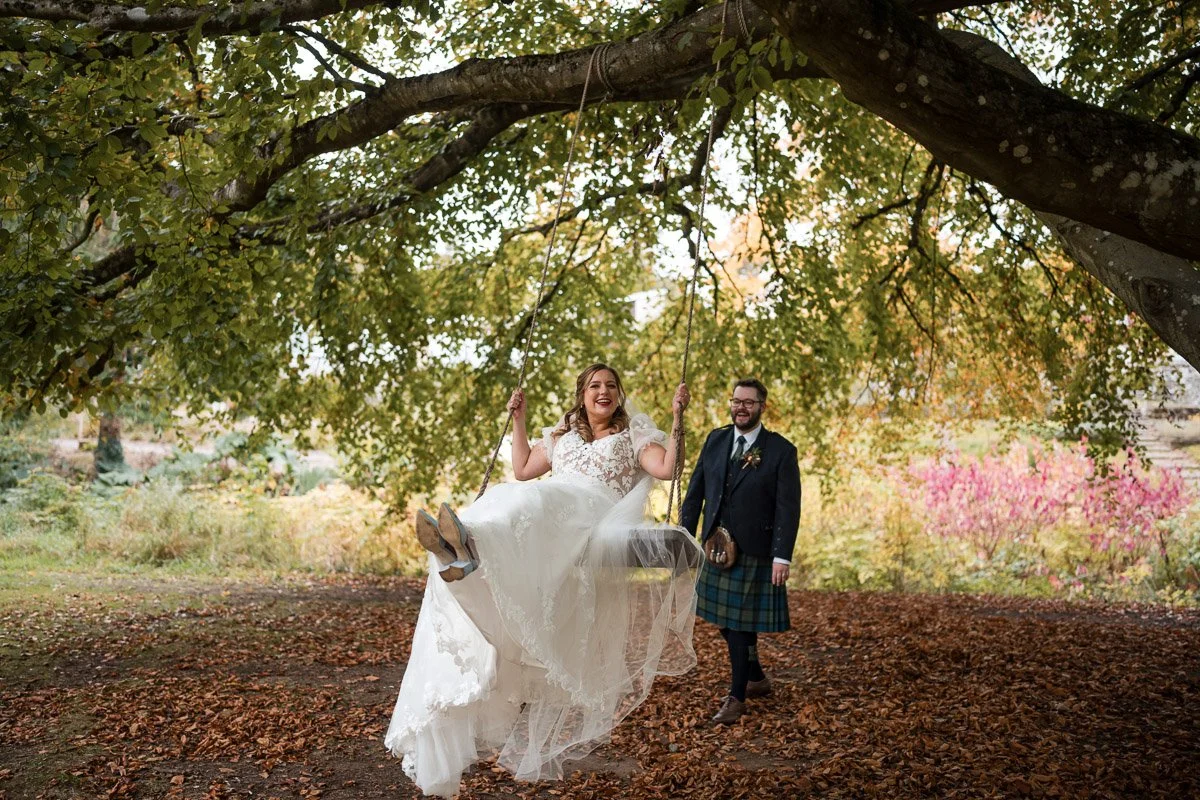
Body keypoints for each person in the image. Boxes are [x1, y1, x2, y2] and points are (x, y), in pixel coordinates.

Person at [385, 363, 702, 798]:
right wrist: (519, 418)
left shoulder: (633, 437)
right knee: (514, 496)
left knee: (532, 501)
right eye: (594, 386)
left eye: (611, 386)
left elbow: (668, 469)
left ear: (620, 395)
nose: (603, 392)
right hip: (550, 505)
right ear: (582, 394)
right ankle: (458, 547)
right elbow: (522, 468)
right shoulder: (561, 436)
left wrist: (678, 416)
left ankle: (466, 544)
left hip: (588, 513)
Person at [679, 377, 800, 725]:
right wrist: (685, 536)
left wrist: (782, 556)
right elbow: (695, 491)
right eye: (736, 401)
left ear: (762, 406)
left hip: (756, 551)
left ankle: (737, 697)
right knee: (725, 622)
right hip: (716, 546)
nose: (741, 407)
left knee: (739, 624)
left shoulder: (780, 451)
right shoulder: (716, 440)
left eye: (749, 402)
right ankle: (757, 677)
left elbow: (788, 508)